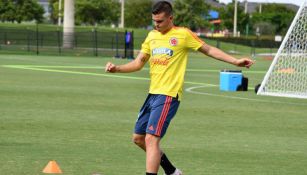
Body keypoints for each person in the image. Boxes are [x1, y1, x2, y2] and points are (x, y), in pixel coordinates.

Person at [105, 1, 254, 175]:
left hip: (168, 95)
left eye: (160, 21)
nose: (156, 24)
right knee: (138, 139)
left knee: (152, 139)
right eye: (154, 20)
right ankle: (172, 171)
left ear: (170, 18)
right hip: (152, 94)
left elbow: (209, 49)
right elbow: (138, 63)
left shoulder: (183, 34)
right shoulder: (152, 36)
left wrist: (235, 61)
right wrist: (117, 69)